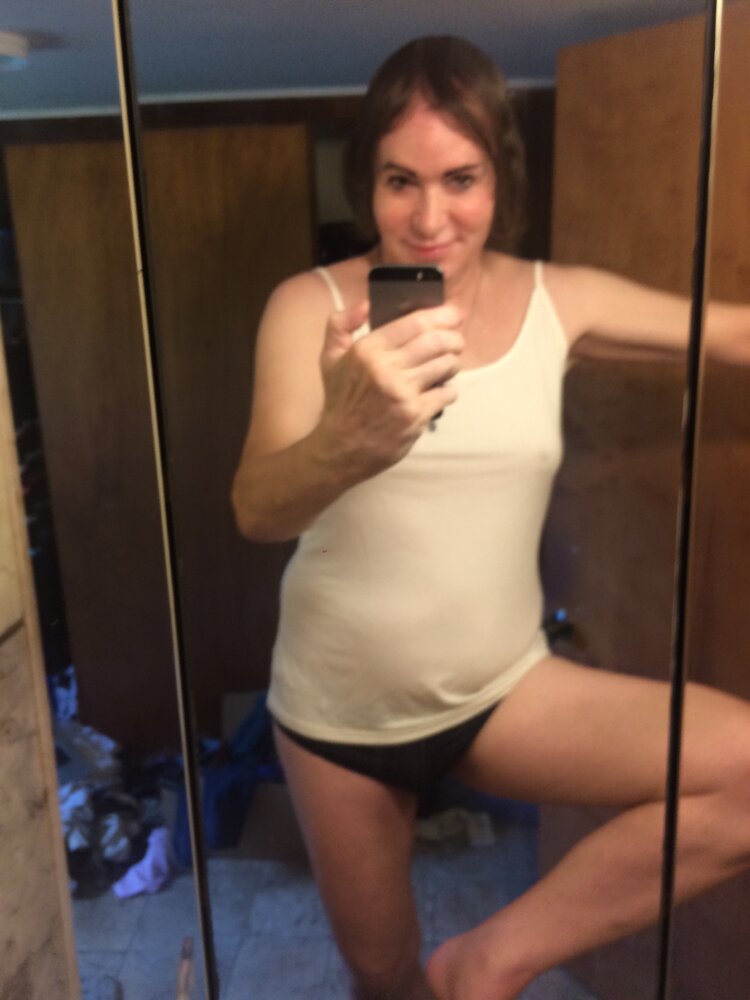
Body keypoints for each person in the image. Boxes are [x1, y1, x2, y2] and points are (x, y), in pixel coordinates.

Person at [231, 35, 750, 1000]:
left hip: (504, 691)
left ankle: (488, 962)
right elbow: (257, 509)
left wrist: (498, 958)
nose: (430, 219)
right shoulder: (309, 309)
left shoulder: (561, 299)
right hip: (339, 711)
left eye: (460, 179)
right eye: (400, 181)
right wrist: (348, 437)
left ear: (499, 177)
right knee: (384, 976)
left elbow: (730, 333)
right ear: (367, 184)